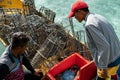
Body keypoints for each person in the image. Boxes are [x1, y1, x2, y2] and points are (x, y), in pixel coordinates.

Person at [68, 0, 120, 80]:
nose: (75, 17)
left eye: (75, 15)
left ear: (80, 12)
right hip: (117, 55)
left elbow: (104, 46)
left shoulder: (89, 24)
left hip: (109, 61)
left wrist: (103, 67)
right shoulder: (98, 17)